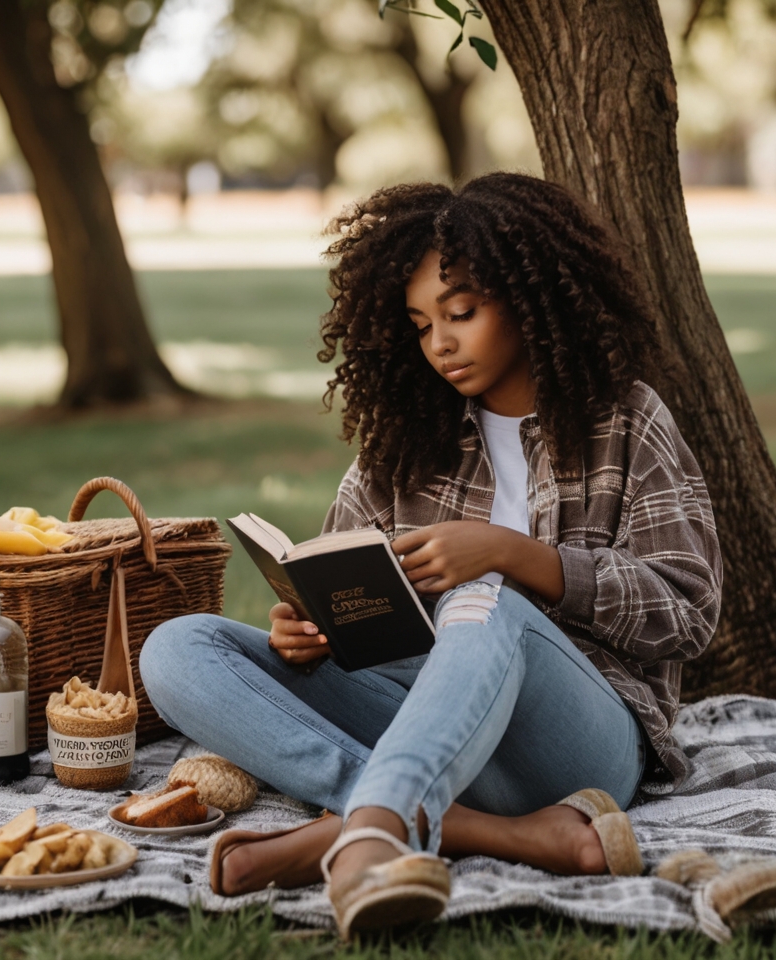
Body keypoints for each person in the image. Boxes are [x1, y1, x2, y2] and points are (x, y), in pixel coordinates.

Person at [139, 173, 723, 939]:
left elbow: (688, 610)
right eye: (420, 325)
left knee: (483, 598)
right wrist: (306, 633)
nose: (440, 343)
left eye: (462, 313)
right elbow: (335, 583)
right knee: (180, 647)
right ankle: (481, 830)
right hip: (428, 723)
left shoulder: (626, 421)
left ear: (530, 298)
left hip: (581, 740)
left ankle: (362, 840)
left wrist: (516, 556)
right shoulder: (404, 447)